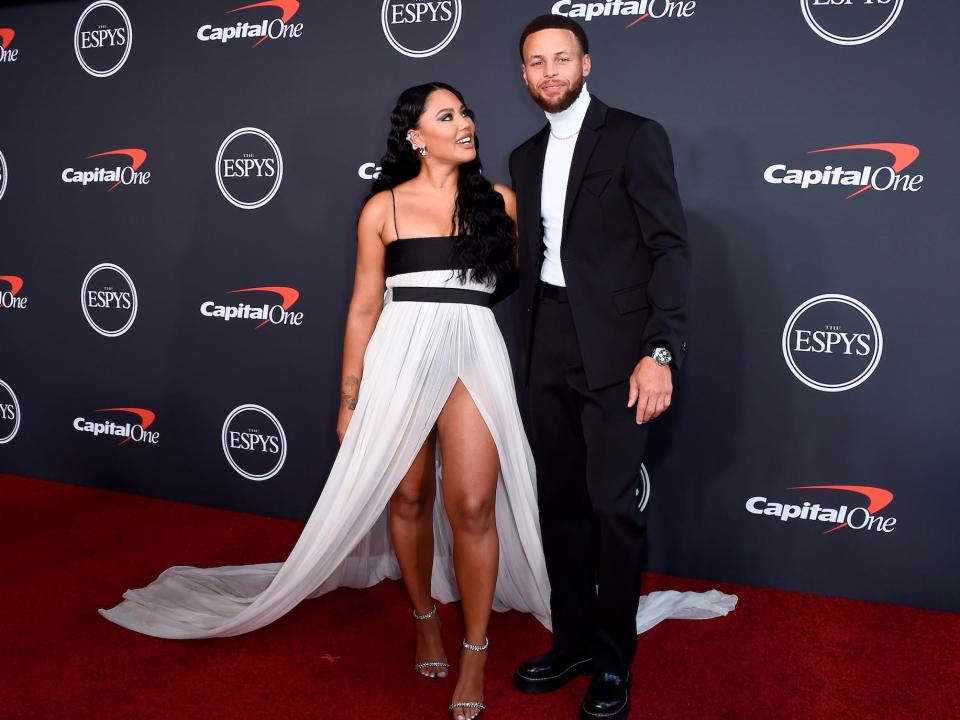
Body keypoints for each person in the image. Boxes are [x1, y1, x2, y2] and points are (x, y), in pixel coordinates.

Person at [100, 82, 734, 720]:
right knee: (406, 496)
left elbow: (555, 279)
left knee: (475, 504)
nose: (466, 123)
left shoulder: (504, 202)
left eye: (467, 113)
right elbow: (362, 309)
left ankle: (477, 648)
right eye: (448, 115)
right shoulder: (382, 209)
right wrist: (350, 396)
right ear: (414, 135)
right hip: (399, 355)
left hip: (473, 353)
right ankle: (425, 616)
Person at [508, 15, 700, 720]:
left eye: (562, 59)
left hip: (622, 351)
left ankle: (615, 662)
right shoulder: (523, 158)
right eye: (536, 62)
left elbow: (669, 250)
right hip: (547, 342)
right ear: (523, 76)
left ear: (586, 65)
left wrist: (660, 351)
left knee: (612, 508)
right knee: (558, 504)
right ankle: (575, 642)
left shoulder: (633, 136)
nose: (550, 72)